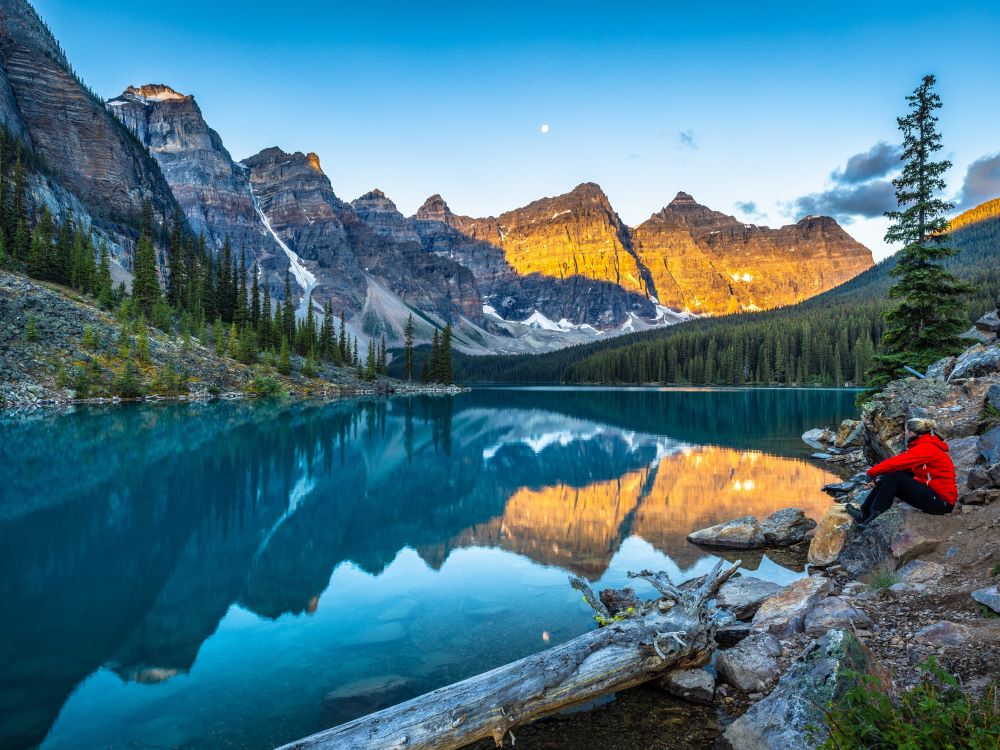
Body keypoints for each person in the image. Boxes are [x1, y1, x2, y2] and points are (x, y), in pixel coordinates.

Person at [845, 417, 957, 527]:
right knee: (889, 476)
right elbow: (906, 470)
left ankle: (873, 519)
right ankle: (864, 514)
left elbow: (896, 462)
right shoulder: (925, 446)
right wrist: (881, 479)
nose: (905, 434)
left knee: (892, 475)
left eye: (906, 431)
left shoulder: (927, 448)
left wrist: (871, 473)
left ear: (912, 433)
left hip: (942, 502)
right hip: (934, 496)